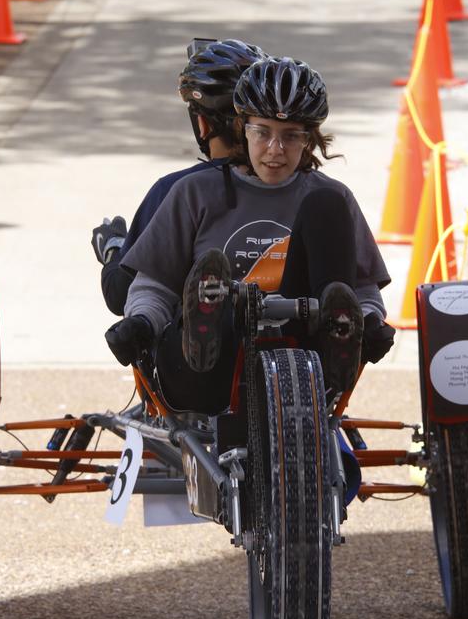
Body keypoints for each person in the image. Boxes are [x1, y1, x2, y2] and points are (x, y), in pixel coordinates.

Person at [106, 56, 395, 413]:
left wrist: (369, 318)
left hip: (299, 360)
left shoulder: (331, 198)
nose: (275, 150)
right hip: (206, 372)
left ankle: (334, 334)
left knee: (326, 203)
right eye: (263, 133)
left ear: (309, 140)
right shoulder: (195, 192)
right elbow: (155, 285)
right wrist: (142, 322)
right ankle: (210, 312)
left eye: (291, 137)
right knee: (222, 300)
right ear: (242, 128)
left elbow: (362, 288)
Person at [95, 37, 266, 315]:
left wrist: (113, 248)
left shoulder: (177, 189)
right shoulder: (298, 186)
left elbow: (120, 294)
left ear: (202, 123)